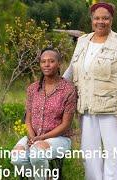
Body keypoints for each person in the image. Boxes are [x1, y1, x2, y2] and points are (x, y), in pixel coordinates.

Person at [63, 2, 117, 180]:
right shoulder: (82, 41)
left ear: (111, 20)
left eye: (105, 18)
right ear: (91, 20)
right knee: (89, 154)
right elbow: (71, 70)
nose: (100, 22)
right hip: (86, 107)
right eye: (97, 18)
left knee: (113, 154)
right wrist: (53, 87)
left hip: (111, 109)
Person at [11, 47, 77, 180]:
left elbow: (66, 125)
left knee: (36, 154)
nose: (47, 64)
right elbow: (28, 120)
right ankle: (46, 177)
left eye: (51, 61)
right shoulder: (33, 89)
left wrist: (41, 138)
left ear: (59, 64)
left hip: (60, 139)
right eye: (43, 61)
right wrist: (32, 137)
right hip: (34, 137)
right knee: (16, 158)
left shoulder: (68, 90)